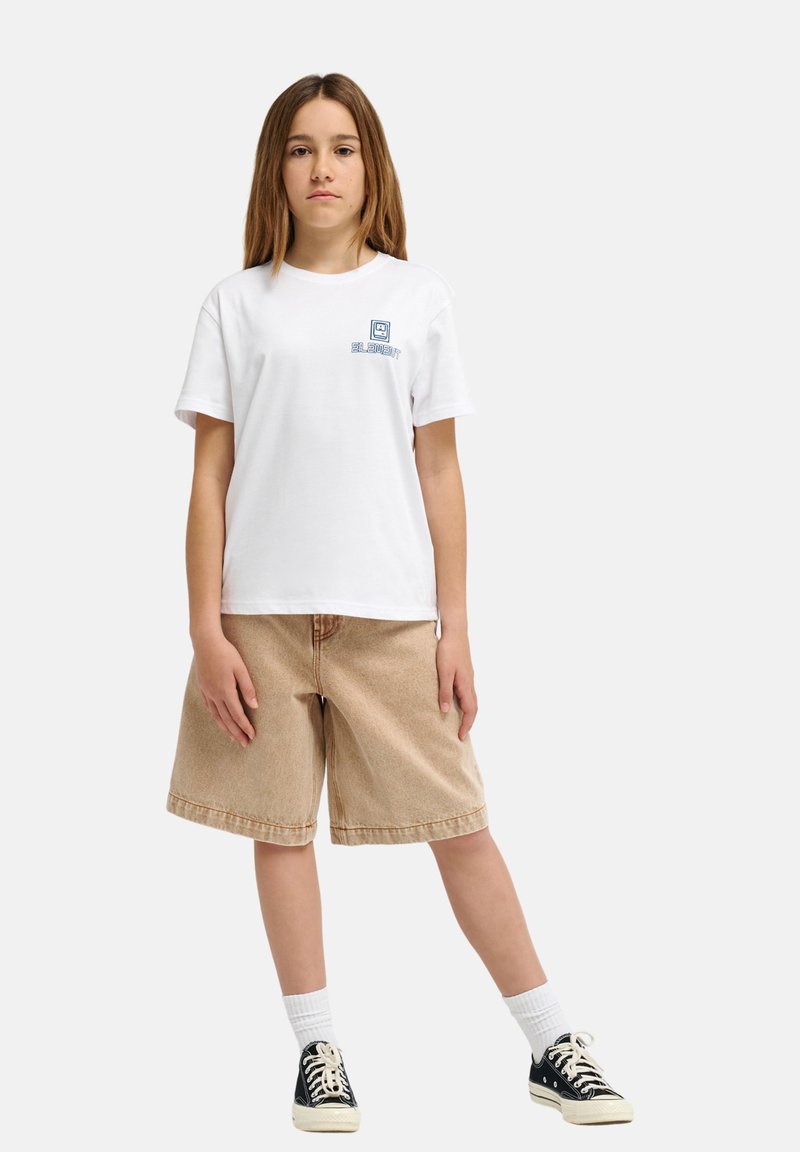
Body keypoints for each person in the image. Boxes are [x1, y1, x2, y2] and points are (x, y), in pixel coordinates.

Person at [166, 72, 633, 1132]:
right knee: (278, 830)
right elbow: (208, 477)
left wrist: (454, 625)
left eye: (341, 147)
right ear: (274, 170)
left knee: (460, 826)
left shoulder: (415, 299)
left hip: (388, 622)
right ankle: (317, 1050)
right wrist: (204, 629)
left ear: (370, 166)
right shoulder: (236, 305)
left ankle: (550, 1040)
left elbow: (439, 469)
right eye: (299, 148)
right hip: (259, 620)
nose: (321, 168)